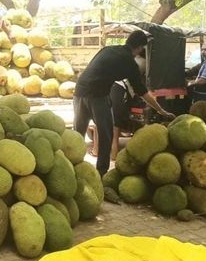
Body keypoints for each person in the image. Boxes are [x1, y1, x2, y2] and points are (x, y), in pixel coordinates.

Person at [73, 30, 175, 176]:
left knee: (77, 135)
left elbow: (94, 69)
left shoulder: (107, 49)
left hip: (79, 91)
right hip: (97, 96)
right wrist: (161, 110)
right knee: (106, 134)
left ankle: (73, 167)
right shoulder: (129, 62)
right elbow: (143, 92)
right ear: (140, 48)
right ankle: (101, 173)